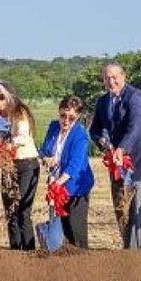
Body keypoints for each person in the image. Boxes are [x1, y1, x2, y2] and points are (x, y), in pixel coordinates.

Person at [88, 62, 141, 249]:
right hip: (117, 165)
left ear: (123, 77)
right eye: (107, 78)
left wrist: (122, 148)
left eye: (114, 77)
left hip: (140, 162)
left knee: (140, 213)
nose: (111, 82)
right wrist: (101, 142)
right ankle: (128, 251)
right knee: (122, 209)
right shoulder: (102, 101)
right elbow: (94, 129)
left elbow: (136, 126)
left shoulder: (135, 96)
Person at [0, 81, 39, 251]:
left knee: (23, 210)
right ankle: (15, 250)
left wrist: (9, 144)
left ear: (9, 96)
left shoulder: (19, 112)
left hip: (26, 163)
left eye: (1, 97)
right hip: (8, 165)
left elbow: (23, 137)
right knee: (10, 210)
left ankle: (29, 251)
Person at [39, 95, 95, 248]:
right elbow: (43, 150)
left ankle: (82, 256)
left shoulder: (80, 135)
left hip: (76, 187)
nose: (66, 121)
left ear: (78, 116)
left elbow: (74, 166)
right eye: (63, 115)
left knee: (75, 228)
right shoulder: (53, 127)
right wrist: (45, 158)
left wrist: (58, 184)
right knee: (61, 227)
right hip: (56, 184)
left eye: (71, 118)